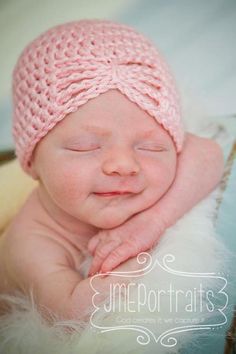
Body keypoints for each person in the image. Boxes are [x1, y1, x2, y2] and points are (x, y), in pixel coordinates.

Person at [0, 19, 224, 322]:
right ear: (32, 161)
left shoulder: (145, 181)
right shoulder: (31, 243)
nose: (124, 165)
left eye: (151, 146)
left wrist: (152, 223)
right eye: (85, 146)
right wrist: (144, 259)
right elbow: (72, 314)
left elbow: (209, 152)